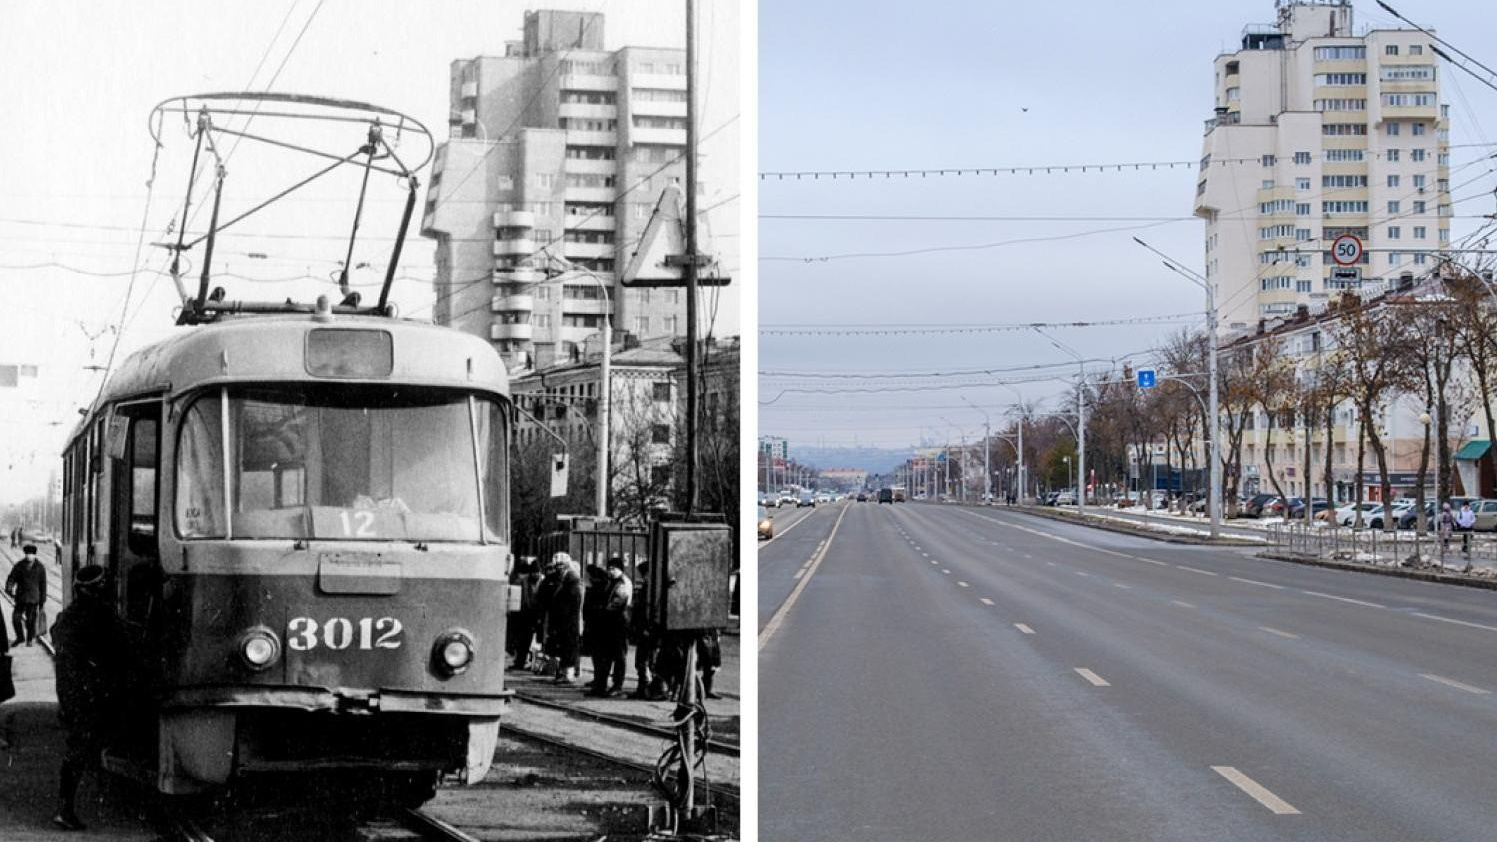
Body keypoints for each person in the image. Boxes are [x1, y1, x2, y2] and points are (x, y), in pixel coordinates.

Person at [51, 565, 123, 831]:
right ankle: (64, 810)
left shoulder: (67, 616)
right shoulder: (101, 616)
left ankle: (65, 807)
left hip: (70, 693)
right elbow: (119, 650)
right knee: (80, 749)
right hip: (90, 694)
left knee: (78, 748)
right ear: (98, 588)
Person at [586, 557, 632, 698]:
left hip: (619, 624)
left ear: (620, 570)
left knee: (619, 656)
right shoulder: (611, 582)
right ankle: (600, 685)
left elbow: (617, 603)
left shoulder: (623, 583)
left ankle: (617, 685)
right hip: (608, 624)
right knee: (604, 656)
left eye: (614, 569)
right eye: (609, 568)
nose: (610, 571)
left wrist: (602, 611)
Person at [538, 552, 582, 685]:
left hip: (569, 621)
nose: (558, 569)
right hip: (562, 620)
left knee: (568, 647)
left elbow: (572, 604)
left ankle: (567, 673)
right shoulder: (562, 581)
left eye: (561, 566)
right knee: (563, 647)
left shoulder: (572, 583)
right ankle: (563, 672)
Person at [6, 544, 48, 646]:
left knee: (31, 621)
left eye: (31, 554)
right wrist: (9, 588)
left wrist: (42, 601)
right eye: (27, 554)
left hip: (34, 598)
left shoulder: (40, 567)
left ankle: (29, 639)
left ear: (34, 555)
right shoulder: (19, 566)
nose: (29, 556)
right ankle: (20, 637)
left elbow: (43, 585)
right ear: (25, 554)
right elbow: (11, 578)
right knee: (16, 619)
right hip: (21, 597)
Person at [506, 557, 543, 671]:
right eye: (533, 572)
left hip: (537, 615)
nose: (535, 574)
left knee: (537, 641)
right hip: (524, 616)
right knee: (523, 641)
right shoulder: (522, 582)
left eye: (537, 572)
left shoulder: (542, 582)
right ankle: (520, 662)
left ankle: (533, 663)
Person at [630, 560, 660, 699]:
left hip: (647, 630)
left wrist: (646, 627)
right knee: (645, 660)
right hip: (645, 630)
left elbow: (646, 610)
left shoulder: (650, 589)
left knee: (645, 660)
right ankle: (645, 688)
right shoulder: (650, 587)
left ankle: (646, 688)